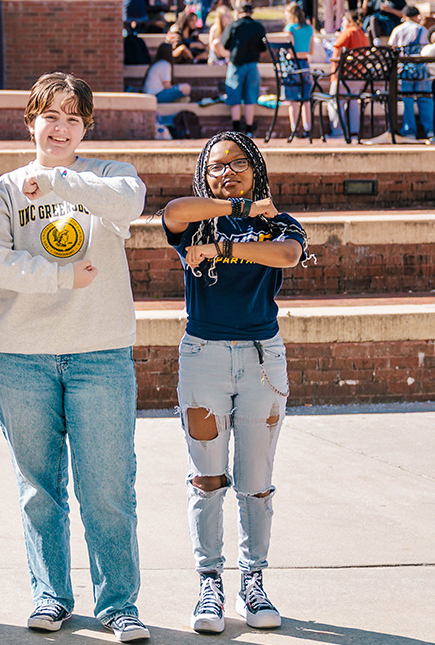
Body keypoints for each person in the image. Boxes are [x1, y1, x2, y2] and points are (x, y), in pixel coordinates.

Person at [0, 72, 150, 643]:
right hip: (23, 356)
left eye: (74, 117)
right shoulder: (2, 191)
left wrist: (61, 183)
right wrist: (58, 276)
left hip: (100, 352)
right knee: (38, 489)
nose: (61, 127)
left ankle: (119, 605)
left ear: (86, 126)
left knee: (108, 488)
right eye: (51, 115)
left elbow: (131, 205)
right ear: (31, 121)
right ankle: (51, 596)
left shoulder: (110, 177)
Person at [159, 131, 308, 635]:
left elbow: (286, 255)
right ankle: (210, 583)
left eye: (239, 163)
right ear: (205, 174)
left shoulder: (279, 223)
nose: (228, 171)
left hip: (263, 359)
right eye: (217, 166)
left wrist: (225, 244)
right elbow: (174, 211)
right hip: (203, 357)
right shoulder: (194, 223)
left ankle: (254, 581)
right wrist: (231, 208)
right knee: (207, 478)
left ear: (257, 167)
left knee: (256, 480)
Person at [389, 5, 433, 139]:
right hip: (421, 70)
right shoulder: (422, 30)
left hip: (404, 70)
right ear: (415, 16)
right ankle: (430, 131)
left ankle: (409, 131)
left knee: (407, 100)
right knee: (425, 99)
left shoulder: (398, 30)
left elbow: (392, 48)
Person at [223, 1, 267, 135]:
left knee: (235, 97)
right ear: (251, 13)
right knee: (250, 98)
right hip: (252, 64)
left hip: (236, 64)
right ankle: (248, 130)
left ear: (239, 12)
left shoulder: (234, 25)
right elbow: (263, 47)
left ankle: (236, 130)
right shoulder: (258, 26)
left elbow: (225, 44)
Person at [328, 11, 371, 138]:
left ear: (349, 20)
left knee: (335, 102)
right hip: (359, 76)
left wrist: (334, 74)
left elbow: (337, 52)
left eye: (343, 20)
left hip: (344, 75)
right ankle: (354, 132)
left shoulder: (347, 32)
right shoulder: (363, 34)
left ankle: (338, 132)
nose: (342, 23)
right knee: (353, 103)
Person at [283, 3, 316, 137]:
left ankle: (294, 130)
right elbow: (311, 50)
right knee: (305, 99)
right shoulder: (309, 29)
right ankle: (307, 129)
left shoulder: (290, 28)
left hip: (292, 65)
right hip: (305, 65)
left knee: (292, 100)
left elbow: (290, 49)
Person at [207, 0, 234, 65]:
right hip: (216, 56)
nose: (230, 19)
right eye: (227, 17)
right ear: (221, 18)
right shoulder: (215, 29)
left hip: (227, 54)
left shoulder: (232, 28)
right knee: (216, 43)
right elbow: (212, 47)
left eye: (230, 17)